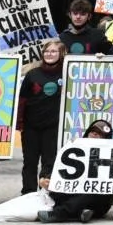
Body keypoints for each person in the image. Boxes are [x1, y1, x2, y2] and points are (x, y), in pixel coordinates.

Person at [33, 119, 113, 222]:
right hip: (70, 194)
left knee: (93, 190)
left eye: (100, 134)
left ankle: (60, 214)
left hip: (95, 200)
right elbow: (51, 166)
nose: (95, 135)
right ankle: (80, 212)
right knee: (57, 187)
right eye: (93, 131)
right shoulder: (72, 148)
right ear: (87, 133)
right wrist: (43, 179)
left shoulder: (111, 158)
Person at [15, 38, 67, 196]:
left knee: (49, 162)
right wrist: (19, 123)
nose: (49, 54)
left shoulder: (67, 73)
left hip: (53, 126)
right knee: (29, 162)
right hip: (31, 125)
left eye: (53, 51)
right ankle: (28, 193)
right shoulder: (32, 74)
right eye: (47, 51)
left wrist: (99, 58)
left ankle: (46, 194)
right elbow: (22, 99)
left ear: (61, 54)